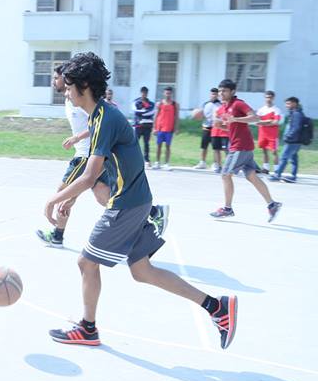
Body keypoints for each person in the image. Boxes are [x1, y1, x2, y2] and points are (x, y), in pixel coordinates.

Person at [43, 52, 237, 351]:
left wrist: (53, 199)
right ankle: (216, 307)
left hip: (127, 204)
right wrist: (71, 196)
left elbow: (90, 173)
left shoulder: (105, 117)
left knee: (86, 262)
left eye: (68, 86)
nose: (65, 91)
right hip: (136, 200)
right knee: (142, 271)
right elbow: (94, 171)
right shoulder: (99, 115)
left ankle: (87, 329)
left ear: (82, 85)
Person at [36, 66, 157, 248]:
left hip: (87, 155)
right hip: (97, 156)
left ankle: (57, 235)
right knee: (103, 198)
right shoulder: (72, 100)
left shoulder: (87, 103)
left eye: (57, 79)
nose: (54, 82)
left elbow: (99, 123)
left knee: (61, 194)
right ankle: (149, 216)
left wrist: (78, 137)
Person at [210, 79, 281, 222]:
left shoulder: (238, 104)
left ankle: (227, 208)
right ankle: (272, 204)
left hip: (240, 147)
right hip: (241, 146)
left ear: (232, 92)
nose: (221, 93)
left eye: (224, 91)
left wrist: (235, 119)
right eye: (220, 91)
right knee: (252, 176)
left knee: (225, 174)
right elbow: (230, 126)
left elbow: (255, 117)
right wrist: (220, 125)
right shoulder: (223, 108)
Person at [271, 97, 305, 183]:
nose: (286, 105)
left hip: (293, 141)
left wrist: (288, 137)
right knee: (294, 159)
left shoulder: (296, 114)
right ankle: (293, 176)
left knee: (284, 157)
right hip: (296, 140)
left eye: (288, 103)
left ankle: (277, 174)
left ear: (294, 103)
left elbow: (296, 128)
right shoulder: (295, 112)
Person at [194, 88, 221, 170]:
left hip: (216, 128)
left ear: (218, 95)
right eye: (212, 94)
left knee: (216, 147)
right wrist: (197, 115)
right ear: (210, 94)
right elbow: (201, 115)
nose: (214, 95)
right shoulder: (205, 104)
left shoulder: (221, 104)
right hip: (206, 127)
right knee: (204, 146)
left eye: (215, 94)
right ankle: (202, 163)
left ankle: (216, 164)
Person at [256, 90, 282, 174]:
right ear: (264, 98)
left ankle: (277, 169)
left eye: (270, 97)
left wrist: (263, 123)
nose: (268, 99)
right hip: (263, 134)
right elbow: (257, 122)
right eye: (267, 97)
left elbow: (276, 122)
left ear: (273, 98)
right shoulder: (261, 110)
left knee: (274, 152)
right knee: (264, 151)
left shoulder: (276, 110)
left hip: (273, 135)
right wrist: (269, 121)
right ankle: (265, 168)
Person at [153, 87, 178, 170]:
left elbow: (176, 117)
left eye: (169, 93)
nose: (168, 94)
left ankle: (166, 163)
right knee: (158, 146)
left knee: (168, 146)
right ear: (164, 93)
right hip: (160, 128)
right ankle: (157, 162)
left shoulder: (175, 104)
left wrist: (176, 128)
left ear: (171, 94)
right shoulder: (160, 103)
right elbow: (156, 116)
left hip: (169, 129)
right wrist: (154, 128)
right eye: (166, 93)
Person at [133, 86, 155, 167]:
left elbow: (151, 112)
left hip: (147, 127)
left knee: (146, 143)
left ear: (147, 94)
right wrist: (144, 112)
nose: (144, 94)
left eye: (145, 93)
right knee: (135, 143)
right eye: (143, 93)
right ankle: (134, 159)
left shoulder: (151, 103)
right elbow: (135, 111)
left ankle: (147, 160)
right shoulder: (136, 102)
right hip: (138, 126)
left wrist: (142, 112)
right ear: (141, 93)